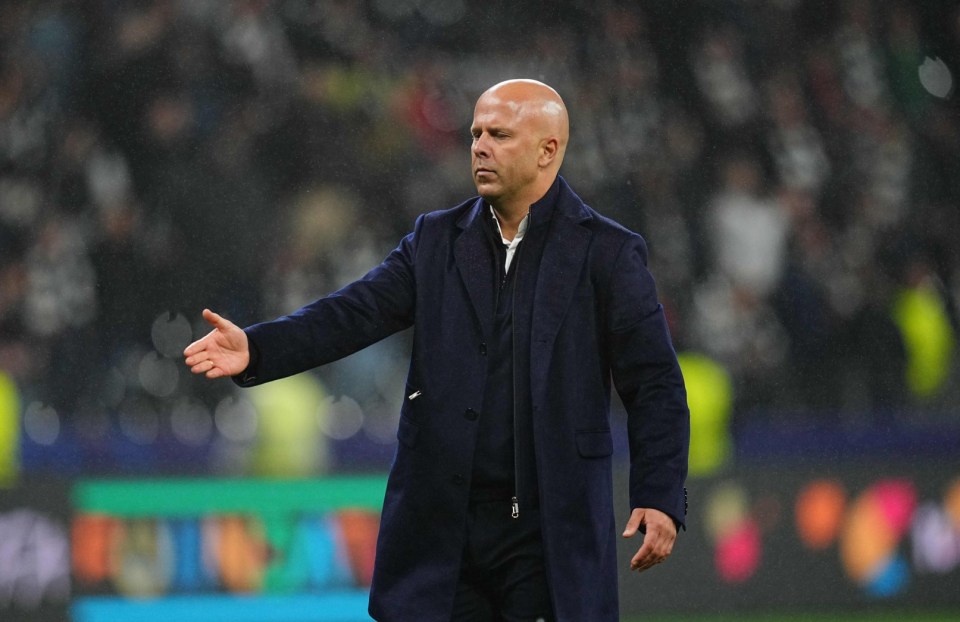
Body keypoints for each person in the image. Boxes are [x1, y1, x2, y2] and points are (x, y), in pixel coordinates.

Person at [184, 79, 689, 622]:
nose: (479, 146)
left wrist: (660, 493)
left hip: (548, 535)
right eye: (475, 134)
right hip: (445, 533)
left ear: (549, 151)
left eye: (499, 134)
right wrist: (257, 348)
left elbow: (655, 383)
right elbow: (352, 313)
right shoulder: (435, 240)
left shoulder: (607, 254)